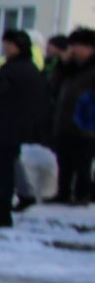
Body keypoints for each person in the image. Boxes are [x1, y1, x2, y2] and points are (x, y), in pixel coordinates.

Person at [0, 29, 51, 230]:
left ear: (19, 47)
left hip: (5, 127)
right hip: (16, 127)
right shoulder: (30, 68)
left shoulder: (13, 69)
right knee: (5, 170)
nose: (5, 48)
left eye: (9, 45)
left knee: (2, 173)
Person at [45, 29, 95, 205]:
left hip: (86, 125)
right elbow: (52, 87)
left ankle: (83, 194)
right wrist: (62, 66)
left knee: (83, 162)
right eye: (72, 45)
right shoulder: (69, 67)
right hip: (64, 121)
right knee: (64, 161)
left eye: (77, 46)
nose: (73, 50)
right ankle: (63, 192)